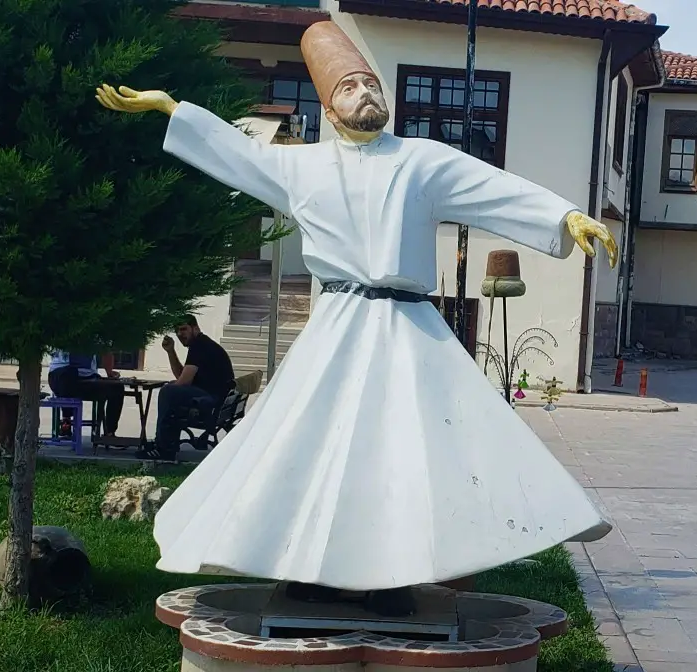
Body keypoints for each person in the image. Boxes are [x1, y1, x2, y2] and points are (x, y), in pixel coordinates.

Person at [95, 21, 619, 617]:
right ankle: (308, 567)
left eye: (371, 84)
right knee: (311, 446)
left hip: (409, 329)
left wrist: (566, 217)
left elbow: (492, 188)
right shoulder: (301, 168)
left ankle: (396, 573)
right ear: (328, 106)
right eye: (350, 87)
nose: (366, 93)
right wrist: (172, 110)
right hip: (339, 328)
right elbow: (239, 155)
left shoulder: (422, 160)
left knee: (406, 452)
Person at [137, 315, 235, 460]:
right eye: (177, 331)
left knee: (168, 392)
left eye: (183, 329)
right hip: (216, 399)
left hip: (212, 402)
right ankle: (164, 444)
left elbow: (183, 382)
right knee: (171, 390)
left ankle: (163, 447)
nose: (179, 334)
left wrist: (169, 391)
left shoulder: (200, 346)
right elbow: (182, 377)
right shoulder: (201, 344)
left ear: (195, 328)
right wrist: (171, 351)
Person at [47, 351, 123, 441]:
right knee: (70, 373)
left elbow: (107, 351)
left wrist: (109, 372)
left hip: (88, 378)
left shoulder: (96, 337)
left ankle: (110, 432)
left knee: (116, 387)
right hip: (61, 375)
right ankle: (66, 421)